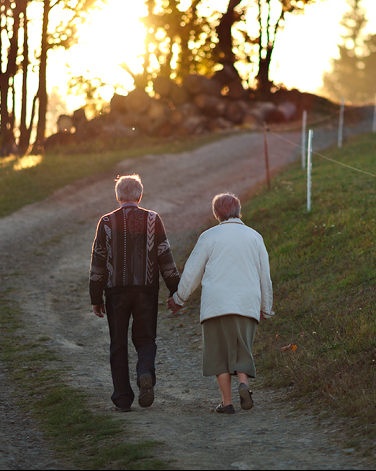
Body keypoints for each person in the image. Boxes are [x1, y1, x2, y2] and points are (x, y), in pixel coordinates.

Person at [168, 193, 274, 414]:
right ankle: (244, 384)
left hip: (216, 304)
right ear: (238, 211)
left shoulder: (209, 236)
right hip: (246, 303)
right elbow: (265, 275)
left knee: (218, 354)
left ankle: (227, 403)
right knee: (242, 348)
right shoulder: (255, 237)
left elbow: (192, 272)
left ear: (217, 213)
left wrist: (179, 298)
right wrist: (266, 307)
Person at [90, 174, 180, 412]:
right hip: (146, 290)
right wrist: (176, 292)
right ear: (139, 195)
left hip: (115, 293)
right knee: (145, 339)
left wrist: (96, 297)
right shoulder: (153, 219)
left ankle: (122, 398)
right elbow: (165, 257)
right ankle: (144, 373)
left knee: (118, 343)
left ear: (118, 196)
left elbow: (98, 261)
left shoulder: (106, 222)